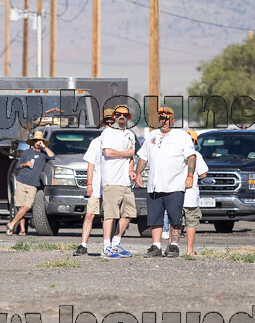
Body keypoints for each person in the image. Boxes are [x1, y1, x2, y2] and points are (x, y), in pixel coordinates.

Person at [134, 106, 196, 258]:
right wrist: (138, 173)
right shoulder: (152, 135)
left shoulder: (181, 136)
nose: (164, 121)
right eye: (161, 118)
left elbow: (191, 157)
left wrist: (190, 176)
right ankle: (156, 246)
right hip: (154, 185)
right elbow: (143, 156)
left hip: (174, 185)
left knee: (175, 218)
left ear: (173, 120)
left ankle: (173, 245)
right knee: (155, 218)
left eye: (167, 119)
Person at [74, 109, 115, 256]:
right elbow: (90, 164)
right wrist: (89, 184)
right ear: (103, 124)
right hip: (97, 185)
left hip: (113, 184)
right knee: (90, 215)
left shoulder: (120, 140)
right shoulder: (96, 142)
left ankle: (109, 245)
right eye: (107, 122)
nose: (109, 125)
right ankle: (83, 244)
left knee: (110, 216)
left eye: (112, 122)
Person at [98, 105, 137, 258]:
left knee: (128, 213)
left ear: (128, 117)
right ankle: (106, 247)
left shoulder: (130, 134)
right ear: (114, 116)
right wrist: (125, 153)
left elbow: (131, 156)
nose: (121, 117)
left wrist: (131, 171)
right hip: (112, 179)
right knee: (110, 214)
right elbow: (108, 152)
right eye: (119, 114)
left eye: (124, 115)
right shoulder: (108, 132)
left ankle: (116, 243)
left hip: (125, 180)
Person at [6, 131, 54, 235]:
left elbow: (52, 156)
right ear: (33, 142)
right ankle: (22, 230)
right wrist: (26, 164)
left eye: (40, 141)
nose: (38, 143)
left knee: (27, 206)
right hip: (22, 181)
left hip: (33, 184)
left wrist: (44, 147)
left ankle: (12, 224)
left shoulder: (44, 154)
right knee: (21, 207)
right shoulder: (27, 153)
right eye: (36, 141)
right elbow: (18, 165)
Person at [183, 129, 208, 256]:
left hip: (175, 194)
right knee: (191, 222)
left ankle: (172, 247)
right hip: (190, 196)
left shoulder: (175, 153)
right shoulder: (196, 155)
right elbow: (203, 174)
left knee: (175, 223)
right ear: (193, 141)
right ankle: (189, 250)